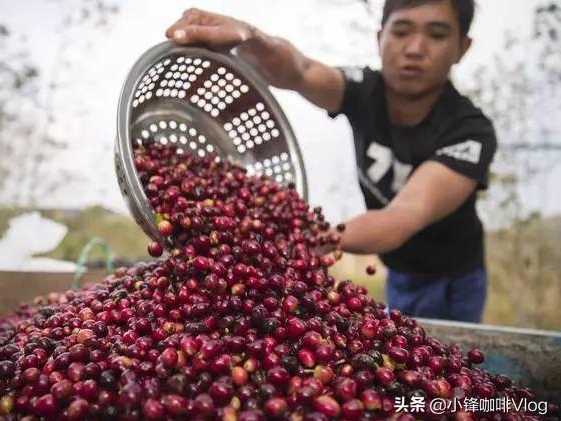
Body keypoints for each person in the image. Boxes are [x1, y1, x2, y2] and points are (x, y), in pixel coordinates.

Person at [165, 0, 496, 323]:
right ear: (380, 37)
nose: (414, 48)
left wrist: (303, 237)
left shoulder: (469, 132)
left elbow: (401, 216)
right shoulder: (365, 91)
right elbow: (300, 70)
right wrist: (251, 38)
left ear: (462, 47)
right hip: (399, 269)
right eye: (401, 32)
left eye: (437, 35)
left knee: (440, 358)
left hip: (452, 278)